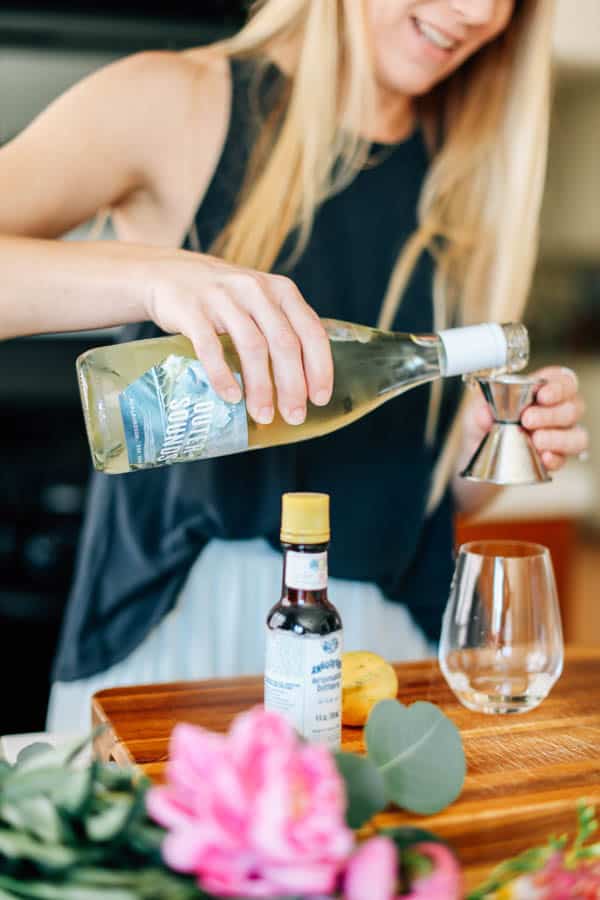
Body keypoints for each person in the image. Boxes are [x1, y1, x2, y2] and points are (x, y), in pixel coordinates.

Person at [0, 0, 588, 732]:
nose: (477, 13)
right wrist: (153, 277)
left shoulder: (474, 169)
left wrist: (475, 454)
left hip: (389, 668)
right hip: (183, 649)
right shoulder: (175, 100)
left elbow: (418, 493)